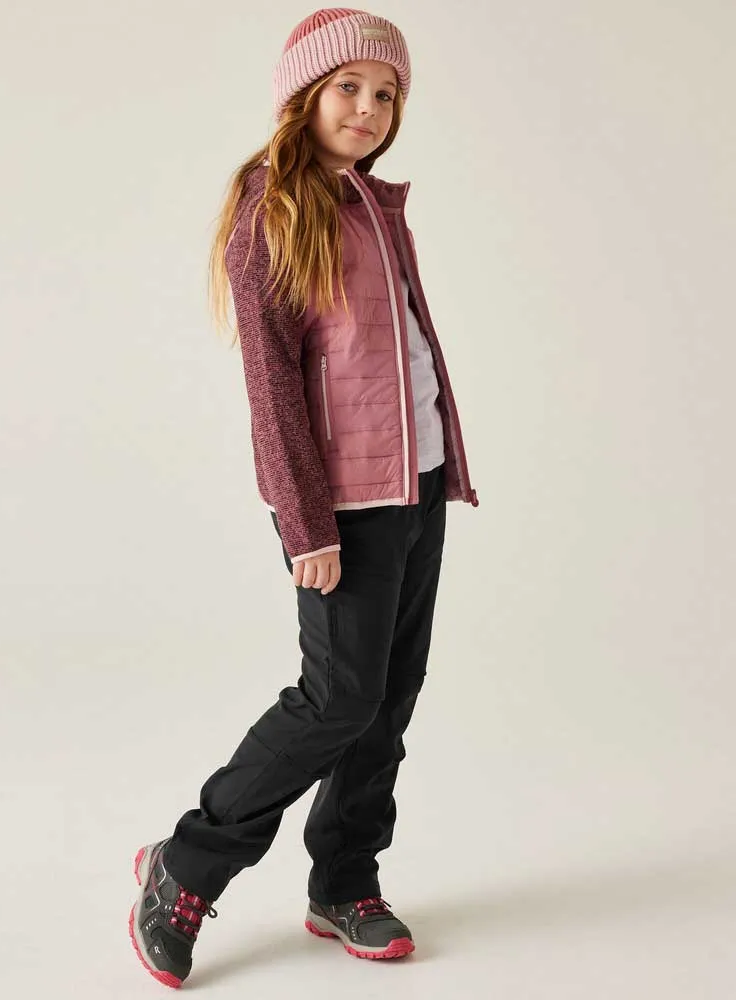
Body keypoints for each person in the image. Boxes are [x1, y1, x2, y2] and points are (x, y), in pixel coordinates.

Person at [129, 7, 479, 989]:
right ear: (303, 96)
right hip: (342, 503)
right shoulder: (273, 207)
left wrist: (443, 463)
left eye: (387, 94)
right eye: (348, 87)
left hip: (415, 484)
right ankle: (185, 864)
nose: (368, 108)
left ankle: (345, 881)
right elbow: (273, 386)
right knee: (335, 698)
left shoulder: (372, 202)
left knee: (387, 696)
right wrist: (303, 522)